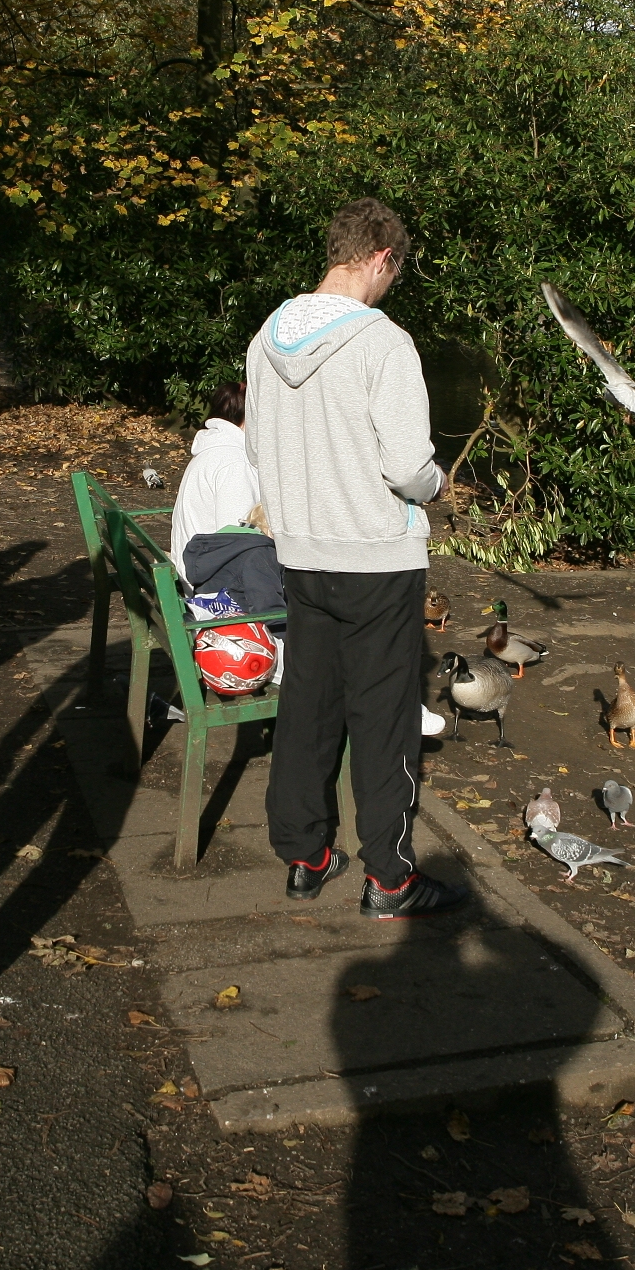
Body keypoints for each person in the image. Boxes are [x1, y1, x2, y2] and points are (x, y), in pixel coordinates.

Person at [247, 198, 463, 919]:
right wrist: (436, 483)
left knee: (307, 708)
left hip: (302, 555)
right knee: (385, 720)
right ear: (382, 258)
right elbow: (406, 467)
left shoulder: (265, 338)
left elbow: (258, 452)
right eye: (395, 271)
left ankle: (305, 858)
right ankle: (390, 880)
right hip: (376, 559)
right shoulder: (384, 343)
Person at [170, 381, 281, 612]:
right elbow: (239, 542)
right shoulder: (233, 462)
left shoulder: (215, 449)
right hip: (213, 592)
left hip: (198, 569)